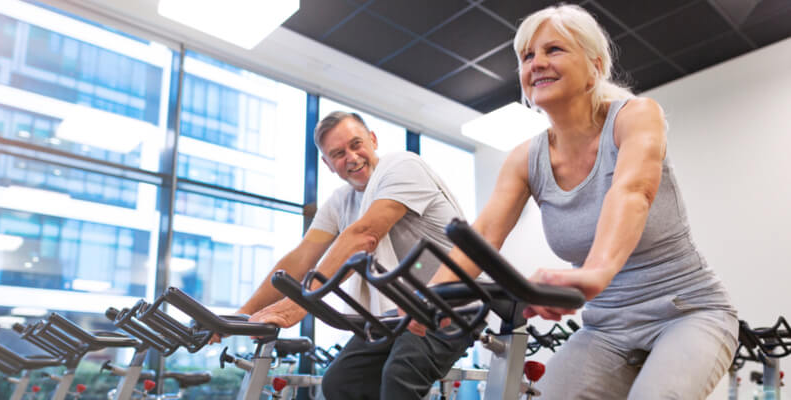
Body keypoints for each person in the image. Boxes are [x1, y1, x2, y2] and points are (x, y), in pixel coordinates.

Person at [412, 4, 738, 399]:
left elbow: (632, 191)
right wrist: (424, 299)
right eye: (527, 56)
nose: (537, 63)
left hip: (688, 311)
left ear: (595, 66)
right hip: (605, 327)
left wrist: (596, 272)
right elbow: (483, 236)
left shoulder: (635, 116)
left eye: (554, 50)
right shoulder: (524, 159)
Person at [228, 110, 473, 399]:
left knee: (400, 374)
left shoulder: (403, 166)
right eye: (338, 153)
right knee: (340, 382)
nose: (352, 157)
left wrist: (297, 306)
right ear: (328, 164)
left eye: (356, 145)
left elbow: (364, 235)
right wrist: (240, 317)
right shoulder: (339, 203)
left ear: (373, 139)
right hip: (399, 312)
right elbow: (300, 259)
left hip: (452, 302)